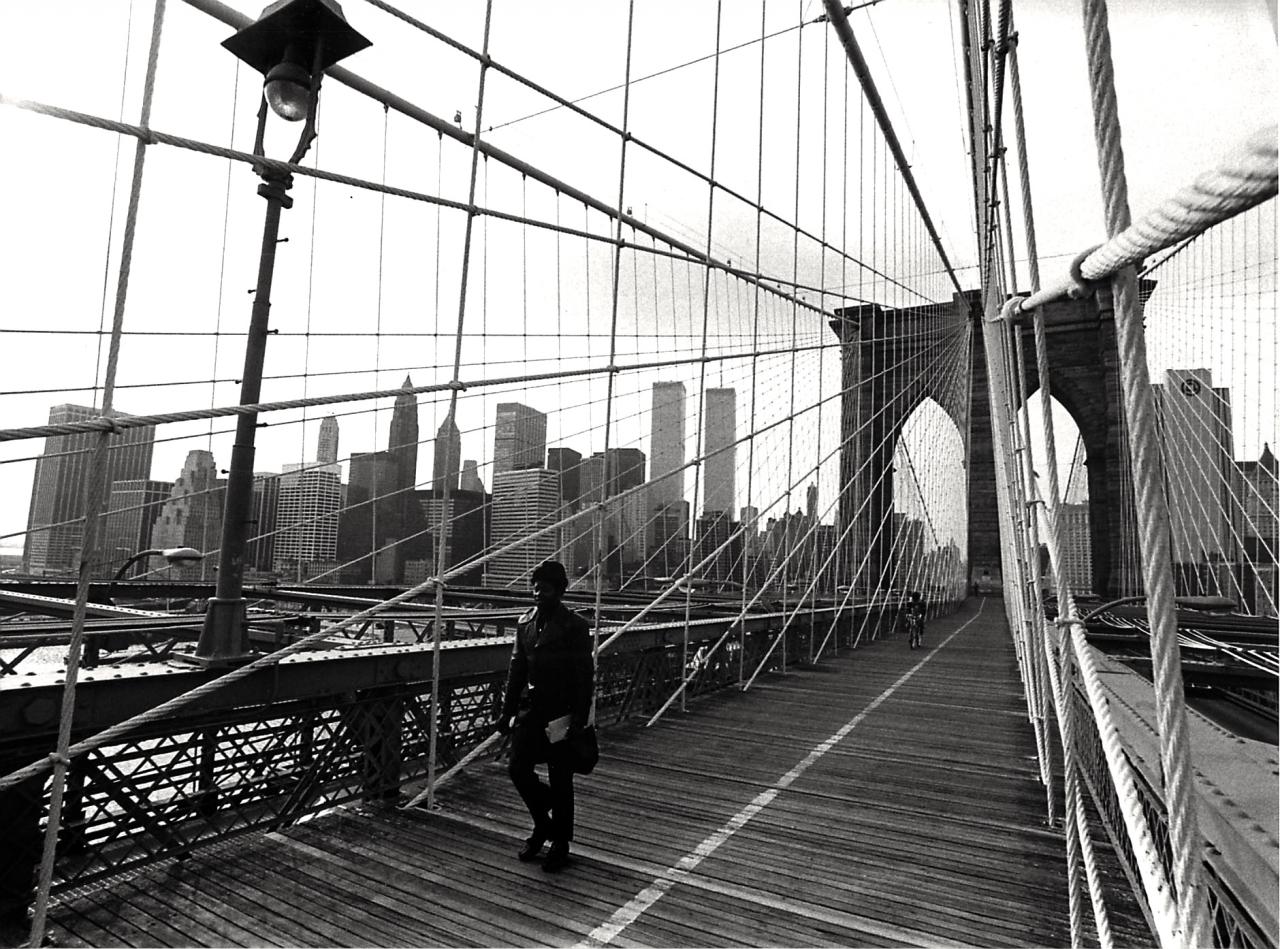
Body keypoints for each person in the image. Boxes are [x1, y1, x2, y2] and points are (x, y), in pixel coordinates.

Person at [497, 560, 594, 873]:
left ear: (560, 590)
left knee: (561, 777)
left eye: (546, 587)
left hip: (561, 713)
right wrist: (507, 711)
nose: (539, 593)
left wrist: (579, 718)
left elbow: (584, 675)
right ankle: (544, 823)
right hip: (531, 711)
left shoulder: (575, 626)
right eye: (535, 587)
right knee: (517, 768)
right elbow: (516, 670)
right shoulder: (524, 622)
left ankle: (560, 843)